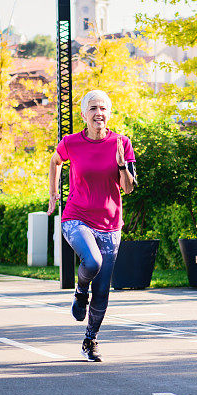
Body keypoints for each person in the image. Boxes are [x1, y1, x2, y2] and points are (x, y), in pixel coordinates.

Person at [46, 89, 136, 361]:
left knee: (103, 290)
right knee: (92, 263)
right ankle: (80, 289)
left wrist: (122, 166)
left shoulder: (122, 143)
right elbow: (55, 161)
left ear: (109, 113)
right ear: (84, 114)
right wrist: (54, 194)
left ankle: (90, 340)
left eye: (104, 109)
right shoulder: (71, 142)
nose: (99, 113)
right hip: (77, 217)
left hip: (110, 224)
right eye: (93, 108)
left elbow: (129, 188)